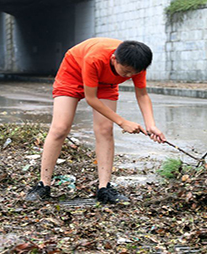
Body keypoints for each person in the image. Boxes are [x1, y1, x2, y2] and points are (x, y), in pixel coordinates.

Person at [26, 37, 166, 204]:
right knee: (60, 128)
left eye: (133, 73)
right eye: (126, 72)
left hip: (105, 83)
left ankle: (104, 188)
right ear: (114, 59)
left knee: (105, 130)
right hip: (73, 74)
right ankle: (43, 184)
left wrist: (151, 125)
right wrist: (122, 122)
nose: (129, 76)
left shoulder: (136, 63)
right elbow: (91, 98)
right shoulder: (95, 58)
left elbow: (142, 94)